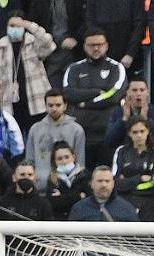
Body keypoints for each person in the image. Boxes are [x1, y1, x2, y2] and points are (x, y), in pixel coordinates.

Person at [63, 28, 127, 168]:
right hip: (82, 132)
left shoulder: (117, 68)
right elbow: (68, 94)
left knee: (108, 176)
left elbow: (114, 96)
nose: (96, 48)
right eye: (92, 45)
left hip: (108, 132)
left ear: (107, 45)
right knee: (83, 174)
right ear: (85, 46)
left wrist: (84, 104)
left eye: (100, 44)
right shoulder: (74, 69)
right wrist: (97, 92)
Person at [0, 12, 55, 137]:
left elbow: (49, 43)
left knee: (39, 143)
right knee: (14, 147)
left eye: (18, 25)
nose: (15, 28)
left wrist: (28, 25)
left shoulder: (33, 43)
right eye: (12, 25)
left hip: (35, 104)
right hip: (9, 106)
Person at [27, 89, 85, 191]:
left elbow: (80, 162)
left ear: (65, 106)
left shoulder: (77, 130)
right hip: (40, 186)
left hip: (68, 187)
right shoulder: (35, 129)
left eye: (58, 105)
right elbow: (29, 160)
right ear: (45, 106)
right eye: (50, 105)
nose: (54, 109)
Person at [111, 115, 154, 220]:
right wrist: (139, 179)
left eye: (142, 131)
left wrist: (127, 184)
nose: (139, 135)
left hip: (151, 204)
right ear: (129, 133)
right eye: (135, 132)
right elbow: (115, 183)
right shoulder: (121, 151)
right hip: (126, 204)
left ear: (148, 131)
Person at [103, 77, 154, 152]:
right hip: (124, 155)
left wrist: (146, 120)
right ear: (127, 93)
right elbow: (109, 141)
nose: (138, 93)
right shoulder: (117, 112)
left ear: (147, 93)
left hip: (150, 155)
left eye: (142, 90)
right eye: (134, 90)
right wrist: (124, 119)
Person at [70, 164, 141, 220]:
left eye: (107, 181)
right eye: (100, 181)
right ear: (91, 184)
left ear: (113, 184)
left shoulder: (126, 209)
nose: (104, 185)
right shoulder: (79, 209)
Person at [45, 141, 92, 218]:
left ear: (73, 157)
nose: (64, 161)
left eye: (67, 157)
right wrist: (79, 196)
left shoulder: (86, 175)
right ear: (54, 161)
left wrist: (62, 196)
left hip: (83, 219)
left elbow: (89, 199)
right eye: (59, 159)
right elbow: (54, 204)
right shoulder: (52, 179)